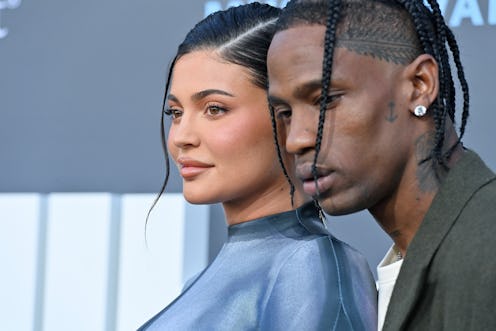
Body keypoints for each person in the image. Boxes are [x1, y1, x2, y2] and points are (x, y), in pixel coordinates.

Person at [138, 3, 377, 330]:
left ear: (288, 115)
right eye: (176, 113)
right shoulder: (203, 280)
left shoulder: (310, 270)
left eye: (214, 109)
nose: (181, 136)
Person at [266, 0, 496, 330]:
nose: (296, 140)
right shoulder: (410, 263)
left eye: (325, 100)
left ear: (420, 85)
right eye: (286, 113)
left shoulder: (486, 251)